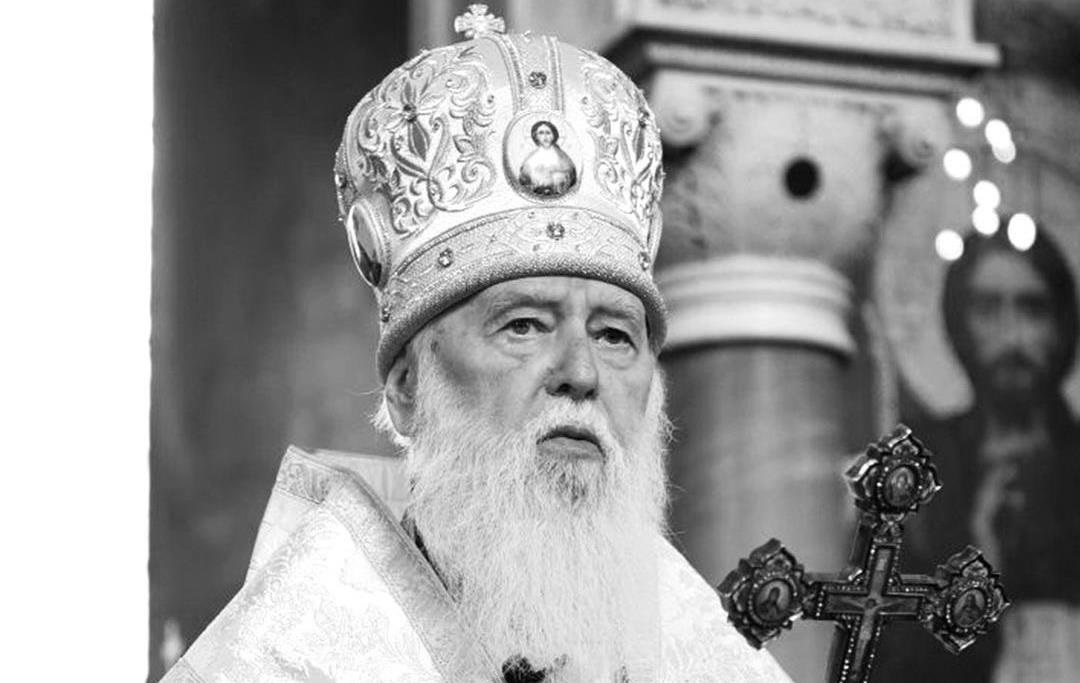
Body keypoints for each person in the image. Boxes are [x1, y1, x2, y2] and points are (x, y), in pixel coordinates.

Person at [161, 7, 791, 682]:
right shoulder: (290, 657)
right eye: (524, 325)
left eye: (614, 335)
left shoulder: (704, 653)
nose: (581, 372)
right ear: (407, 388)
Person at [878, 225, 1080, 682]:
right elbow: (888, 646)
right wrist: (979, 565)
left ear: (1062, 324)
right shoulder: (918, 469)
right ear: (958, 324)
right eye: (988, 308)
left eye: (1032, 308)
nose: (1012, 335)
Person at [518, 120, 577, 197]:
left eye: (548, 133)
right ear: (535, 136)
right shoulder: (530, 159)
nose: (545, 137)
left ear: (554, 135)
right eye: (541, 133)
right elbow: (524, 181)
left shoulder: (563, 158)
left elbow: (571, 178)